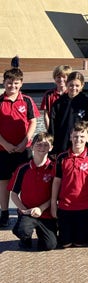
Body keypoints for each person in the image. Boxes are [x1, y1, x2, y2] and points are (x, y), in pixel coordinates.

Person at [50, 121, 88, 247]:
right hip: (66, 206)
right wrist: (53, 203)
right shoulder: (61, 157)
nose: (78, 139)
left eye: (82, 136)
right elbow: (57, 181)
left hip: (85, 206)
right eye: (75, 136)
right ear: (70, 136)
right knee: (65, 244)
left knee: (80, 243)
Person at [0, 67, 38, 227]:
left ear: (21, 83)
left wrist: (25, 142)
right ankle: (4, 212)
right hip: (3, 149)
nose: (12, 86)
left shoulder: (27, 100)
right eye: (9, 83)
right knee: (4, 181)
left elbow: (33, 122)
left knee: (26, 181)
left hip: (24, 149)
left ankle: (24, 211)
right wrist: (5, 144)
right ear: (4, 83)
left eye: (16, 83)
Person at [9, 132, 57, 251]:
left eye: (46, 145)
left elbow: (56, 195)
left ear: (51, 147)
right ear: (32, 146)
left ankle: (43, 234)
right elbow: (14, 194)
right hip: (27, 212)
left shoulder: (54, 168)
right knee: (22, 230)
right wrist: (24, 210)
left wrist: (41, 208)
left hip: (46, 213)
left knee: (49, 245)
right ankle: (25, 238)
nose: (42, 147)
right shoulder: (23, 169)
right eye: (39, 144)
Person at [48, 71, 88, 157]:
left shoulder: (86, 102)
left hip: (79, 142)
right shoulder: (58, 103)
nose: (73, 88)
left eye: (77, 86)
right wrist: (52, 145)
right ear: (66, 84)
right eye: (71, 85)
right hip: (62, 142)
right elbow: (52, 126)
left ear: (82, 85)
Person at [40, 64, 72, 130]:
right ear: (54, 78)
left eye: (64, 77)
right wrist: (49, 131)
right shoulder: (49, 94)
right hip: (54, 128)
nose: (61, 79)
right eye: (58, 77)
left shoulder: (72, 94)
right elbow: (46, 115)